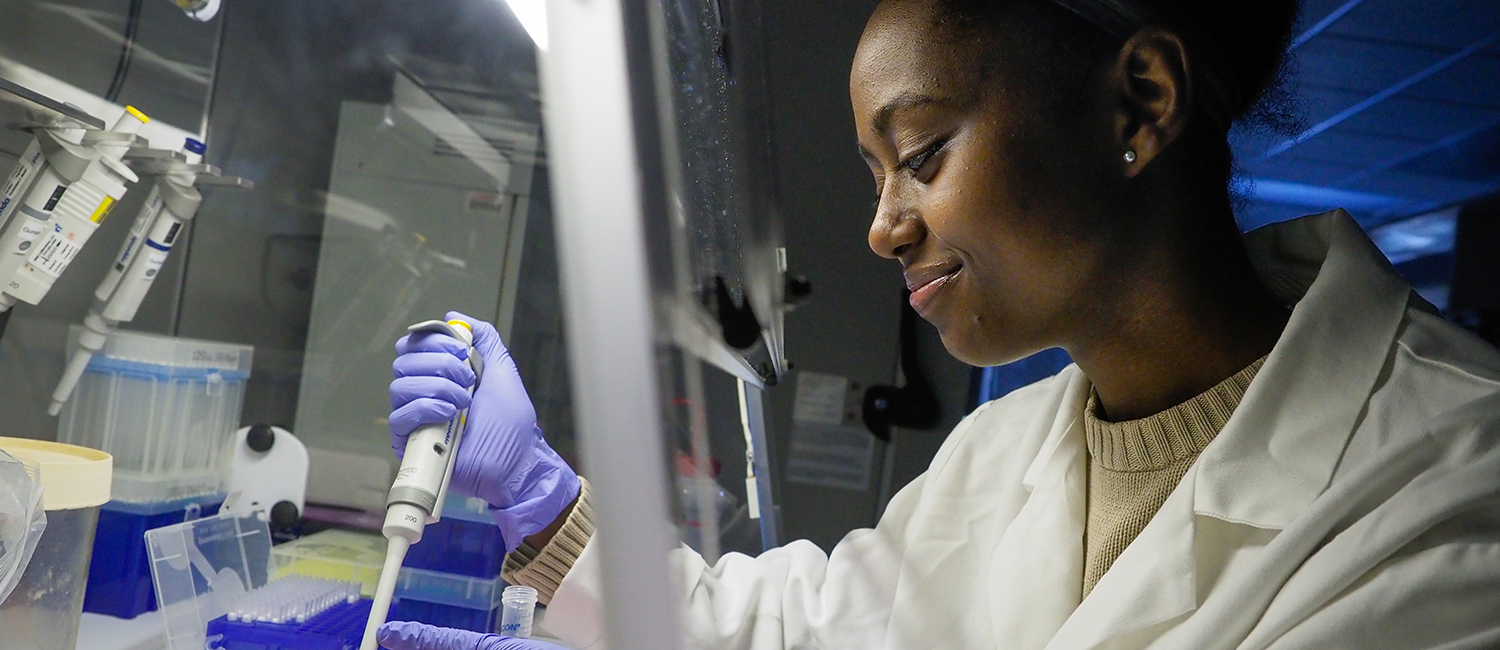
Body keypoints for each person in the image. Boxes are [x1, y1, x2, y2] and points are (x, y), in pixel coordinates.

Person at [375, 0, 1500, 648]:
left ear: (1140, 104)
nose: (882, 228)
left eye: (920, 156)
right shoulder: (1005, 456)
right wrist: (545, 501)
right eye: (875, 175)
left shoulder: (1449, 483)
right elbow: (809, 630)